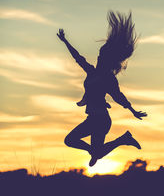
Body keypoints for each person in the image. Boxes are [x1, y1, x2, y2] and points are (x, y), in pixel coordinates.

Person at [57, 11, 147, 166]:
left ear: (105, 60)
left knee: (75, 142)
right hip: (92, 118)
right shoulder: (91, 71)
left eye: (100, 57)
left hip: (101, 120)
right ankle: (120, 140)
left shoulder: (108, 79)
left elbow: (119, 97)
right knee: (75, 142)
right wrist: (65, 41)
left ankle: (116, 142)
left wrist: (133, 111)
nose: (97, 58)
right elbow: (77, 57)